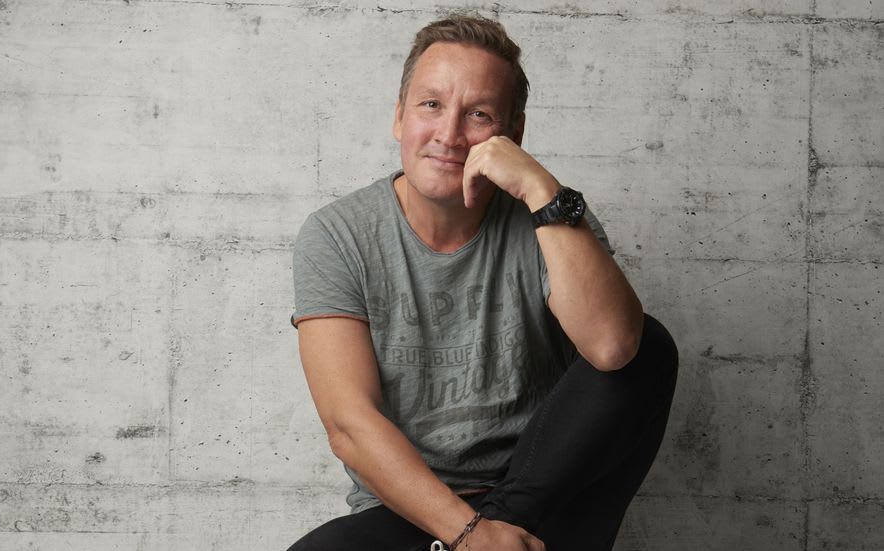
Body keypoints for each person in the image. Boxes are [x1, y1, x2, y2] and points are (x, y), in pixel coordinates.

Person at [288, 13, 678, 551]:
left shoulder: (554, 220)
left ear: (512, 134)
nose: (449, 135)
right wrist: (468, 533)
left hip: (543, 497)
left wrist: (540, 188)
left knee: (648, 345)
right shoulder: (339, 235)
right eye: (431, 104)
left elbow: (614, 347)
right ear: (399, 116)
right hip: (416, 509)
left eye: (478, 114)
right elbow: (350, 423)